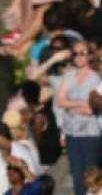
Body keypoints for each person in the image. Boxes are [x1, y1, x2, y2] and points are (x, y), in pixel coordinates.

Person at [57, 39, 101, 195]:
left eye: (83, 53)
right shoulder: (69, 76)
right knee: (76, 174)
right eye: (75, 54)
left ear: (89, 56)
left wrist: (71, 105)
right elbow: (60, 100)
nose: (79, 57)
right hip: (71, 133)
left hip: (89, 133)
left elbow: (92, 108)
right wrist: (79, 104)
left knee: (91, 174)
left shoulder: (95, 78)